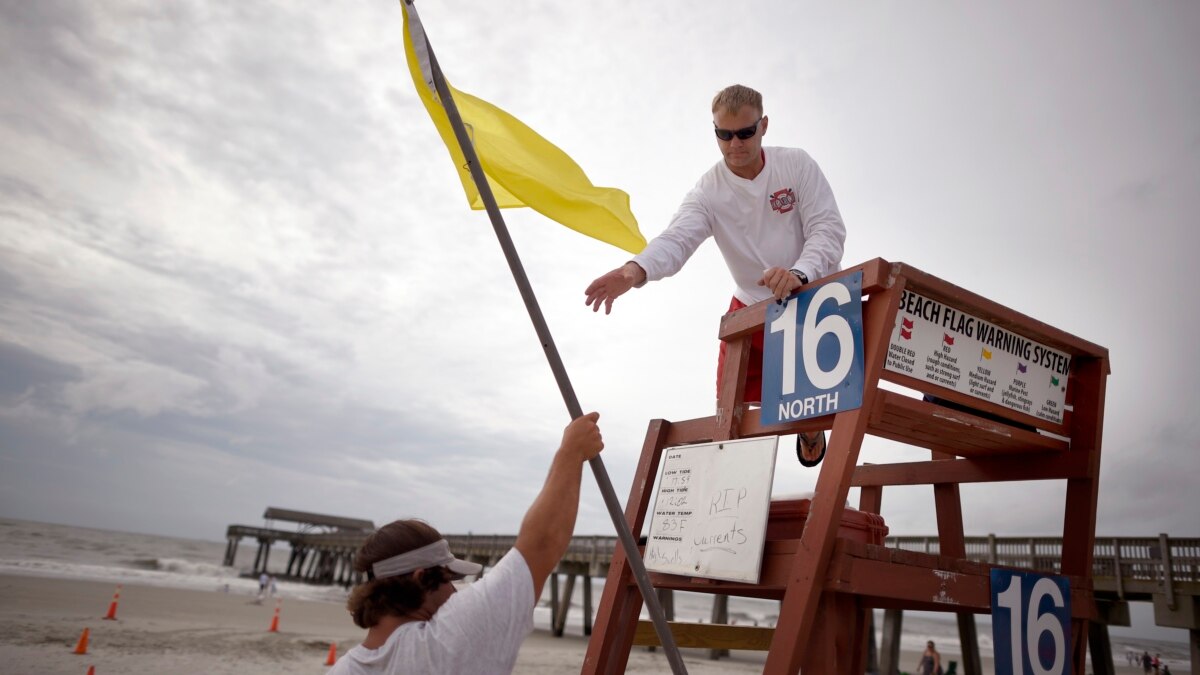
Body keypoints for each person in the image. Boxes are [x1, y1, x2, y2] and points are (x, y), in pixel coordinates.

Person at [584, 84, 845, 466]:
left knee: (810, 405)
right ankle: (730, 500)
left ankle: (809, 427)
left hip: (812, 298)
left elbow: (828, 230)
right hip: (752, 307)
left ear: (764, 126)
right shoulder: (708, 190)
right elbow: (676, 239)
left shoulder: (796, 165)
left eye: (744, 133)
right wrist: (633, 271)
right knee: (730, 416)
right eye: (723, 135)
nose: (734, 144)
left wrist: (798, 273)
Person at [326, 412, 605, 675]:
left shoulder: (343, 670)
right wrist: (571, 452)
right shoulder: (446, 641)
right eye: (449, 578)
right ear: (421, 579)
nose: (455, 591)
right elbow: (541, 546)